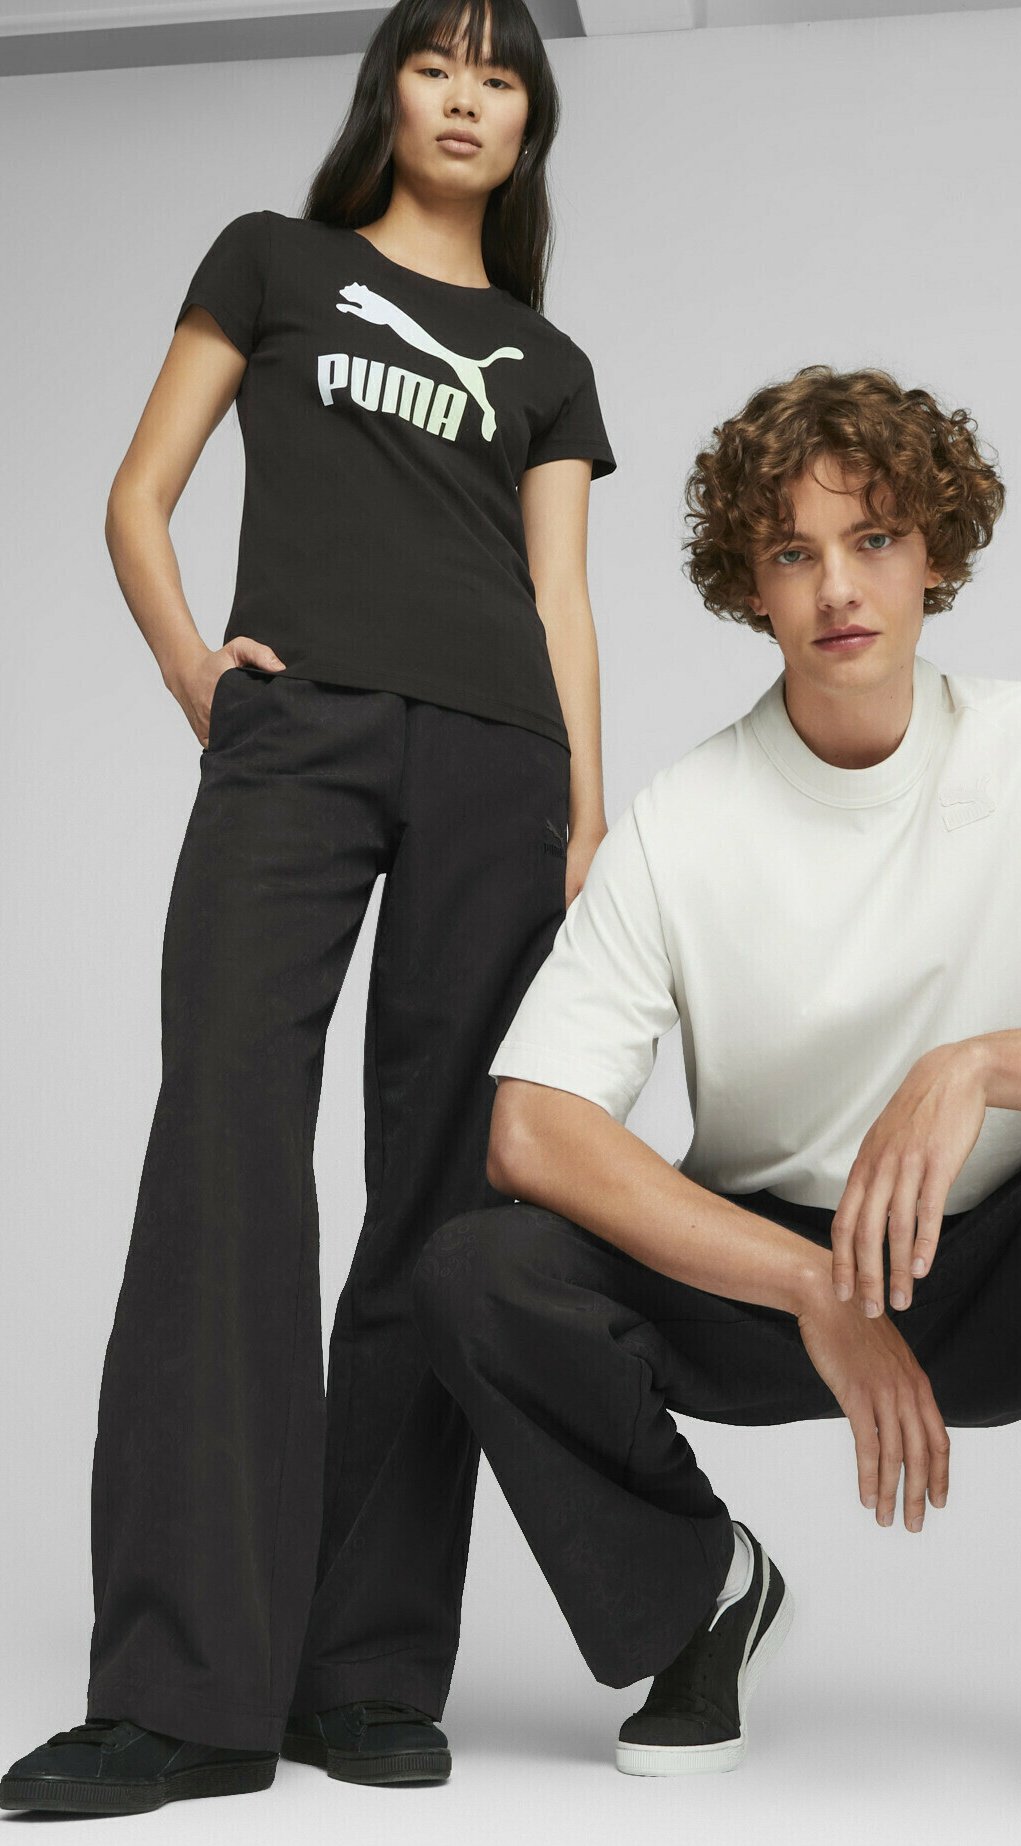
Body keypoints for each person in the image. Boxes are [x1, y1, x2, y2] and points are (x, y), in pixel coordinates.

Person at [410, 365, 1021, 1844]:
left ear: (933, 551)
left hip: (1003, 1261)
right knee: (476, 1269)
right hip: (765, 1278)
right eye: (792, 551)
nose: (837, 588)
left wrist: (976, 1067)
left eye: (873, 538)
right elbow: (531, 1128)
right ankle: (699, 1595)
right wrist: (815, 1286)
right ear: (748, 586)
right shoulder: (687, 820)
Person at [1, 0, 615, 1818]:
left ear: (527, 125)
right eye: (437, 64)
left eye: (500, 77)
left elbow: (561, 599)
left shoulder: (546, 359)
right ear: (386, 91)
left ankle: (363, 1669)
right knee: (226, 1147)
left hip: (501, 759)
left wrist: (585, 816)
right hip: (301, 729)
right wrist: (198, 674)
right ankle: (183, 1688)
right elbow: (138, 495)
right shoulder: (273, 262)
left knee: (444, 1197)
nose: (465, 97)